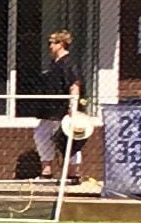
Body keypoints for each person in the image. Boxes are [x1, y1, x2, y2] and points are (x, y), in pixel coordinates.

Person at [28, 25, 94, 181]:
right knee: (41, 135)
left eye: (53, 43)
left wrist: (73, 107)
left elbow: (75, 85)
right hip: (49, 109)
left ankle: (73, 173)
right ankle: (47, 170)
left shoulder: (69, 63)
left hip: (63, 109)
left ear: (61, 44)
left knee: (68, 139)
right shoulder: (54, 64)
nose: (50, 46)